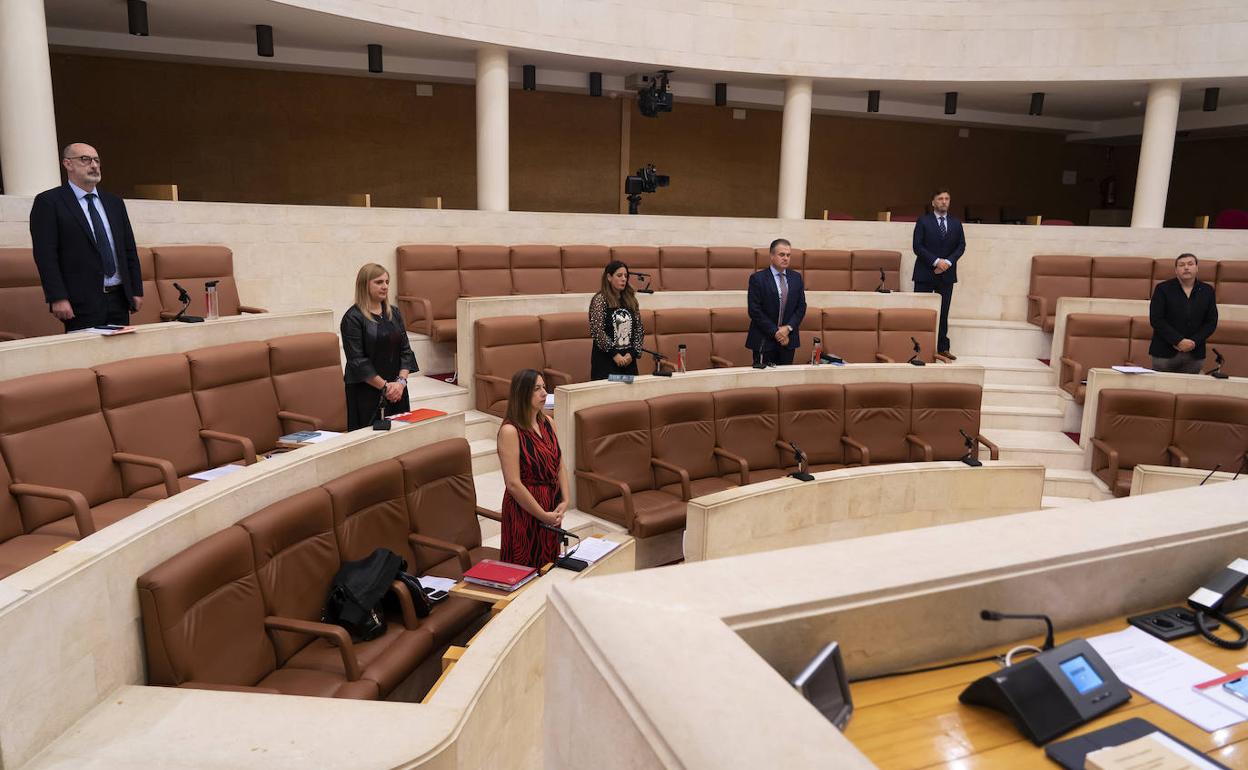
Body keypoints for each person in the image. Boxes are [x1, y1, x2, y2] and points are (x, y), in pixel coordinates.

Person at [29, 143, 144, 332]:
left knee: (120, 357)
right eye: (85, 159)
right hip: (80, 302)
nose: (94, 165)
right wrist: (58, 297)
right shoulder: (49, 202)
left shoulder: (114, 202)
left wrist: (136, 290)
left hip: (119, 299)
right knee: (87, 358)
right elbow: (45, 255)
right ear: (68, 164)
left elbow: (128, 249)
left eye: (97, 160)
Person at [497, 369, 569, 568]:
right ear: (522, 393)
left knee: (548, 563)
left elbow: (559, 464)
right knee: (525, 568)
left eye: (544, 387)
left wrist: (565, 500)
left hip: (551, 504)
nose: (544, 393)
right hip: (525, 510)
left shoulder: (549, 423)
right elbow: (513, 484)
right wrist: (542, 515)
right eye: (537, 389)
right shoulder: (510, 431)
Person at [341, 263, 419, 430]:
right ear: (364, 285)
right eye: (378, 282)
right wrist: (385, 387)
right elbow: (358, 361)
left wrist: (400, 383)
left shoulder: (394, 312)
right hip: (366, 391)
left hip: (397, 390)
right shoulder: (352, 318)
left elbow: (406, 351)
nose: (385, 286)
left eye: (387, 282)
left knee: (399, 435)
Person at [911, 188, 966, 359]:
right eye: (940, 198)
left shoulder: (956, 223)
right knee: (921, 312)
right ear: (933, 202)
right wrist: (936, 261)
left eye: (947, 199)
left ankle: (942, 347)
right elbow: (917, 246)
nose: (944, 201)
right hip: (925, 274)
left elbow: (961, 246)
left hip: (947, 275)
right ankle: (918, 347)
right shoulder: (923, 221)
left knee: (943, 312)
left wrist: (947, 263)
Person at [1149, 253, 1218, 374]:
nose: (1186, 267)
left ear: (1197, 268)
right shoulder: (1162, 289)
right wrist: (1178, 341)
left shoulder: (1207, 291)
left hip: (1194, 354)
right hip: (1164, 353)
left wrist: (1193, 342)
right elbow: (1156, 319)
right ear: (1176, 270)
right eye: (1181, 265)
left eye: (1190, 264)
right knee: (1161, 389)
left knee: (1190, 390)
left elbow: (1211, 322)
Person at [746, 238, 806, 366]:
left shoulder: (796, 278)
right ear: (772, 256)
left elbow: (801, 307)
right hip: (764, 339)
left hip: (788, 340)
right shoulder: (758, 279)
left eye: (788, 255)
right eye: (781, 255)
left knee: (785, 381)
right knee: (763, 381)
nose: (786, 258)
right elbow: (754, 310)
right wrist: (776, 332)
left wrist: (788, 328)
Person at [588, 260, 645, 380]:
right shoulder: (600, 300)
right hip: (607, 362)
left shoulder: (631, 300)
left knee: (630, 396)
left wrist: (632, 354)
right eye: (619, 275)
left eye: (626, 276)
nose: (624, 279)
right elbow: (597, 331)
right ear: (609, 277)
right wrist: (615, 354)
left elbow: (639, 330)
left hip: (629, 362)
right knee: (611, 397)